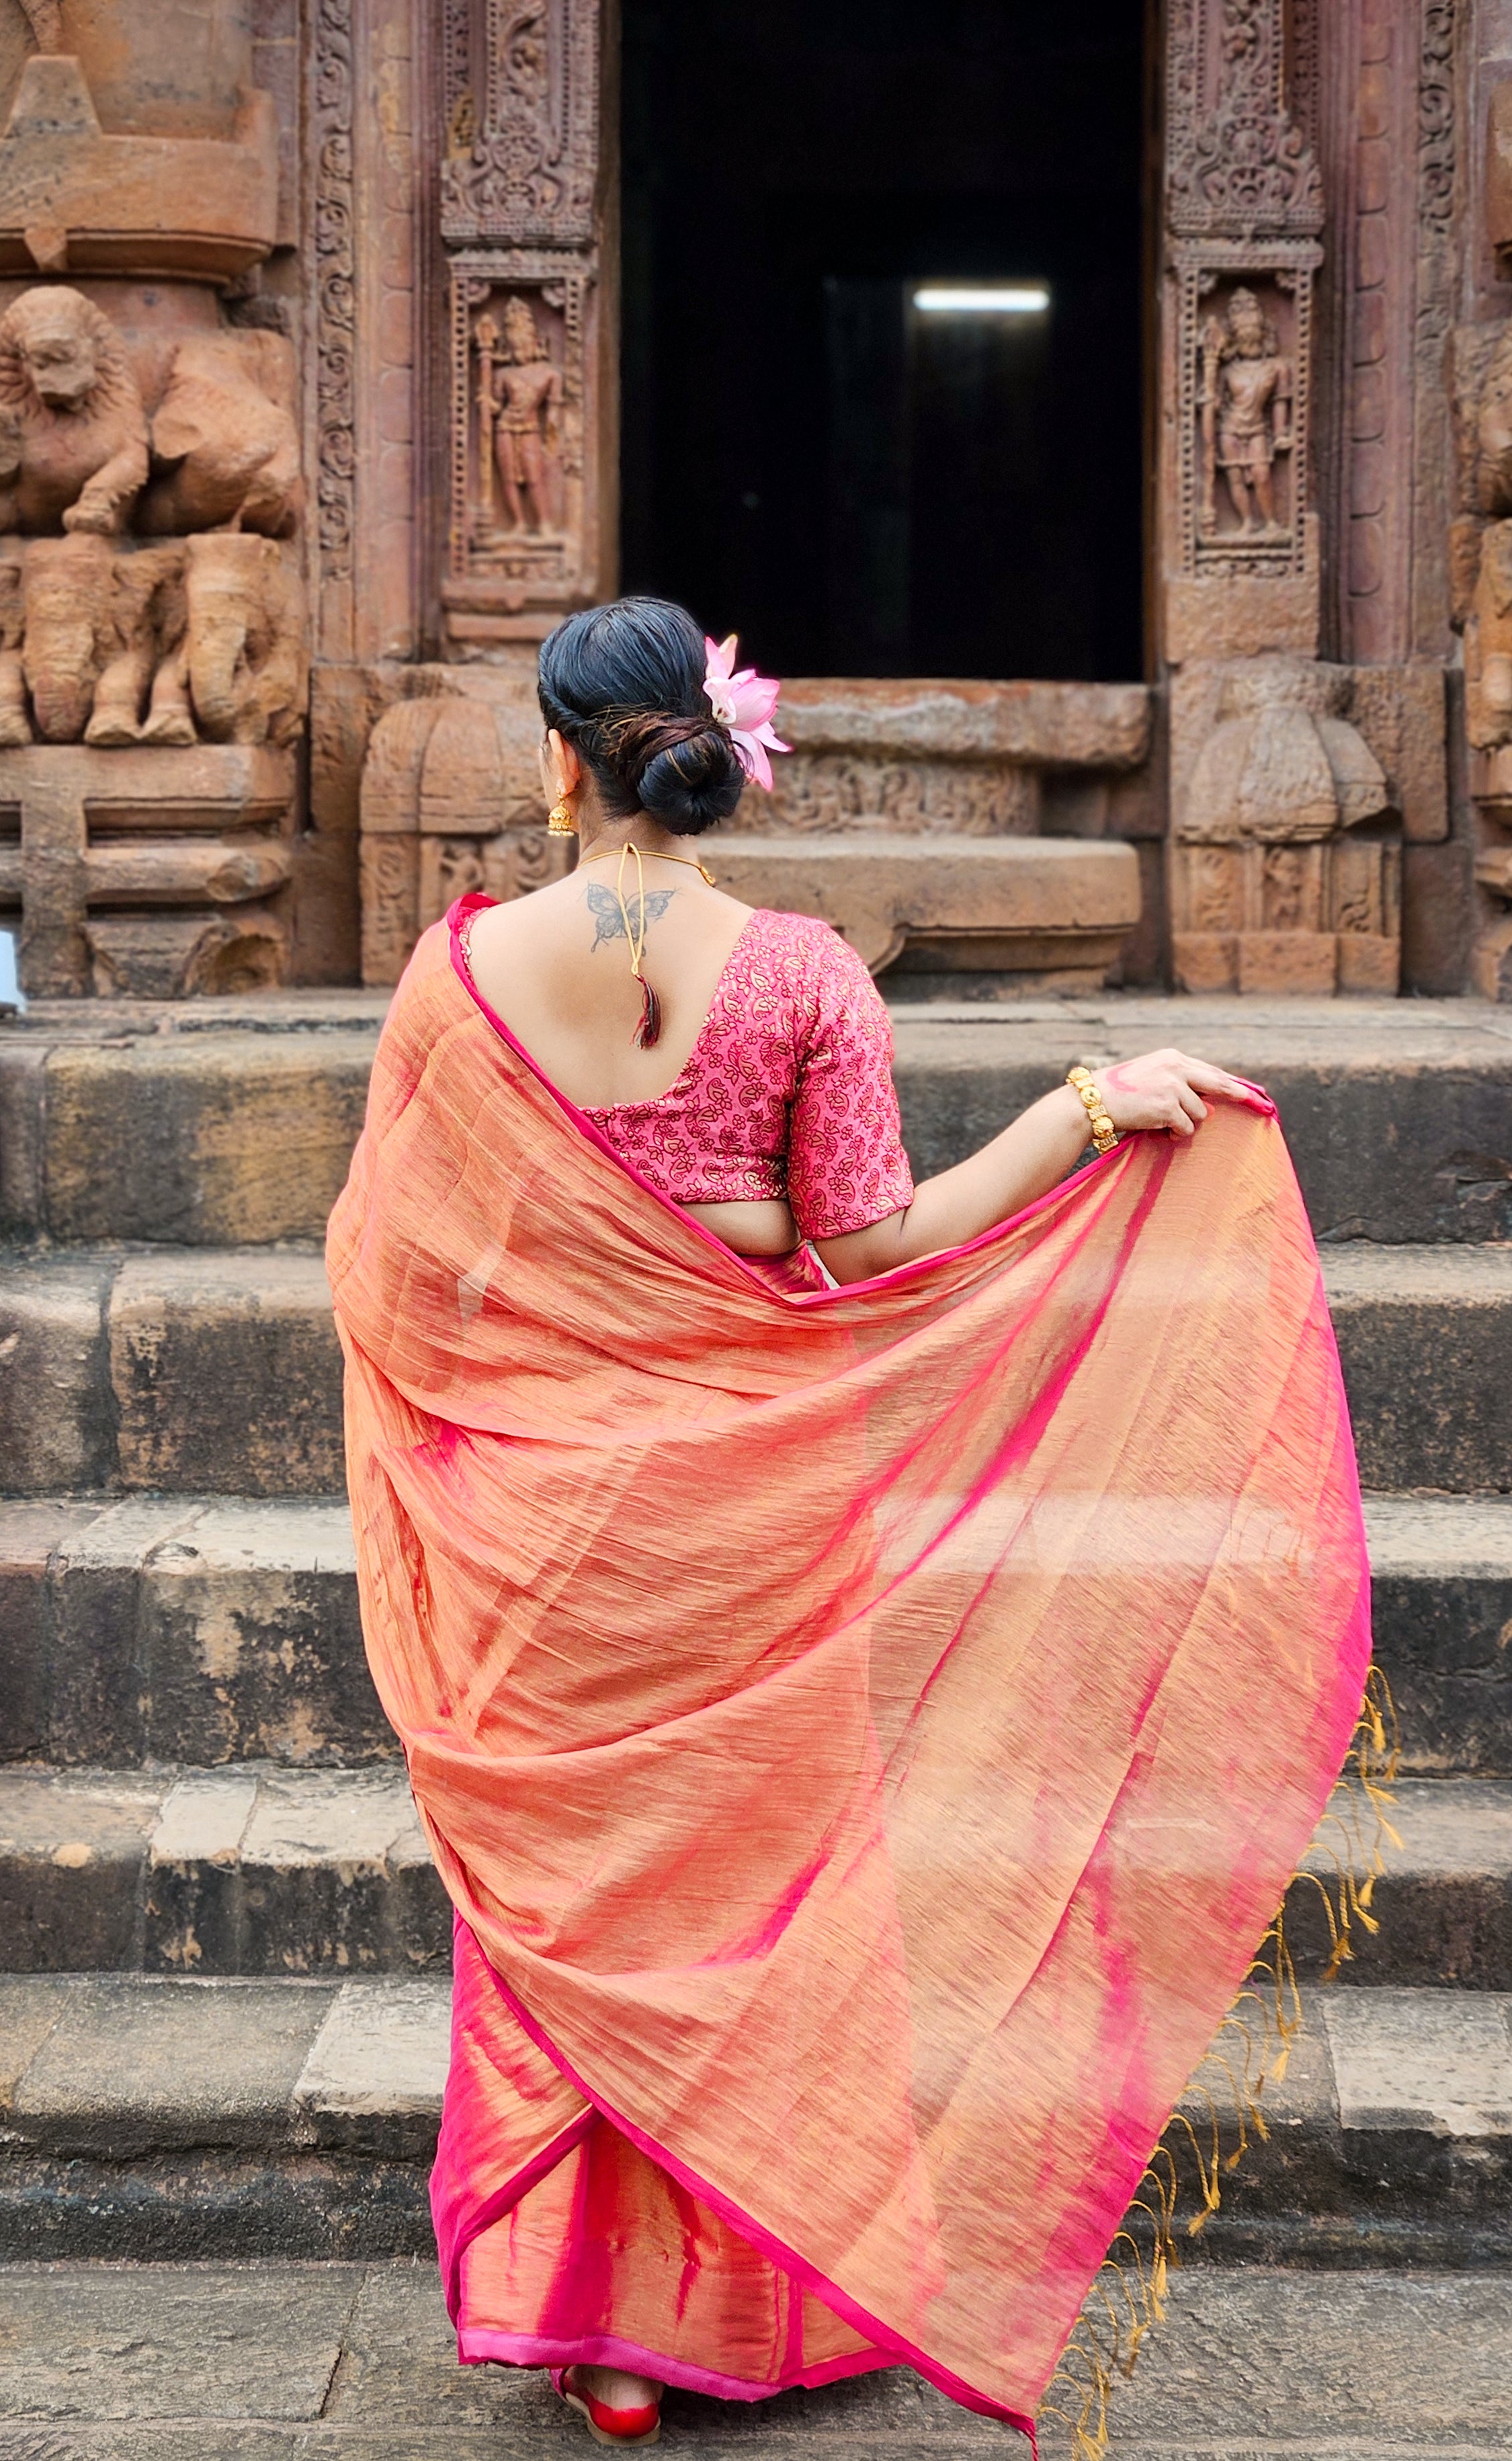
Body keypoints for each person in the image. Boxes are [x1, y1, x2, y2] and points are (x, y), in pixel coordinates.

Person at [328, 598, 1375, 2452]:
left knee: (584, 1903)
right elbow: (880, 1244)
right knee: (759, 1898)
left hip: (546, 1530)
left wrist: (575, 1306)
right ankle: (739, 2295)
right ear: (712, 755)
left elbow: (401, 1268)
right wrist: (1088, 1108)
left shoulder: (460, 975)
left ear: (558, 761)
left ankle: (609, 2340)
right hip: (756, 1503)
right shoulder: (804, 974)